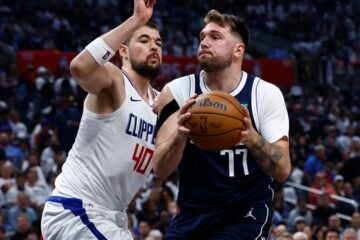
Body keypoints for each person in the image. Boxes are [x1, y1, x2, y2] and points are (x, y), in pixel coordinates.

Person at [154, 9, 291, 239]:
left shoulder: (265, 94)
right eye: (203, 37)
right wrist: (179, 135)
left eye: (215, 37)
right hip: (192, 215)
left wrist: (252, 137)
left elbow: (283, 169)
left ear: (239, 49)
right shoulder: (177, 92)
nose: (205, 42)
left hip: (245, 215)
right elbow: (160, 169)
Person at [41, 0, 162, 239]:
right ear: (124, 51)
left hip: (113, 216)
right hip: (77, 209)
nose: (154, 47)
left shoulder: (161, 102)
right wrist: (136, 20)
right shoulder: (115, 80)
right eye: (144, 40)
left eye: (158, 43)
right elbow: (79, 67)